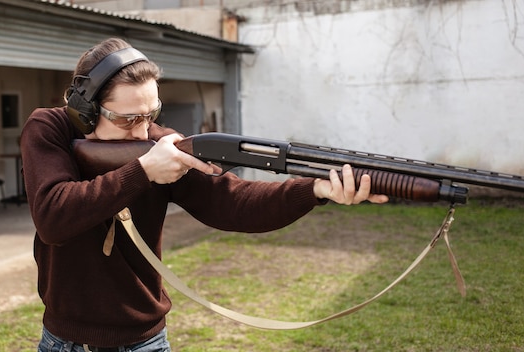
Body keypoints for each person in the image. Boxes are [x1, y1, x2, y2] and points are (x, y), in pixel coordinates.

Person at [20, 37, 388, 352]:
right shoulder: (48, 129)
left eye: (150, 115)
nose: (142, 132)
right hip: (65, 342)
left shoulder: (162, 144)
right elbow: (53, 217)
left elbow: (236, 205)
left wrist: (315, 189)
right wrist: (144, 171)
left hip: (144, 340)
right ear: (84, 112)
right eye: (127, 119)